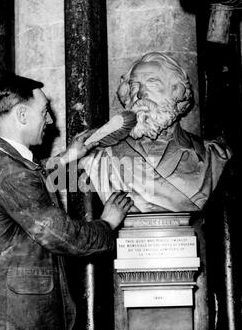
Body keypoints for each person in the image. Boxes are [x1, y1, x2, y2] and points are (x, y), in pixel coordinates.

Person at [0, 74, 133, 330]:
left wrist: (68, 156)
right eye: (44, 112)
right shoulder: (12, 174)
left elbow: (25, 188)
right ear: (22, 115)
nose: (50, 120)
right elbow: (64, 236)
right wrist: (107, 223)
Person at [80, 52, 232, 212]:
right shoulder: (101, 157)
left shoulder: (213, 156)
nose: (140, 94)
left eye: (152, 83)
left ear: (176, 91)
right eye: (134, 86)